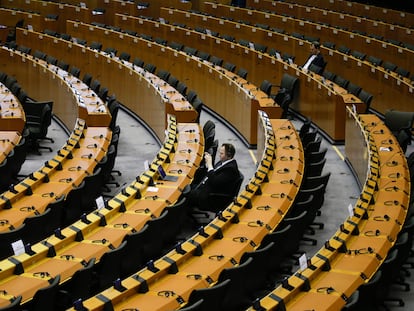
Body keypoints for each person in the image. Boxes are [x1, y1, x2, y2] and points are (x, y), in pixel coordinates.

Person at [187, 143, 240, 212]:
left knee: (186, 192)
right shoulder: (223, 162)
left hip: (211, 196)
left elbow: (214, 181)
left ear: (229, 156)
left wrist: (209, 165)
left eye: (221, 154)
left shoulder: (230, 169)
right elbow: (213, 173)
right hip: (206, 187)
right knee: (188, 185)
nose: (219, 155)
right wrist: (207, 164)